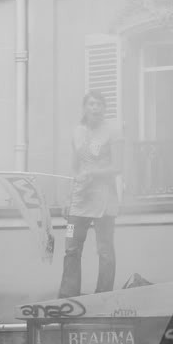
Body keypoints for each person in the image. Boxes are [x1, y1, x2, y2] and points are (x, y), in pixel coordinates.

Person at [58, 90, 123, 298]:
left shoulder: (113, 131)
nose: (95, 108)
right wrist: (68, 198)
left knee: (104, 250)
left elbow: (118, 166)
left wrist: (94, 173)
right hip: (79, 199)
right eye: (91, 104)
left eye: (99, 104)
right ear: (84, 108)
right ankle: (68, 295)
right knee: (71, 247)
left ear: (104, 109)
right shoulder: (77, 132)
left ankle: (103, 295)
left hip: (104, 199)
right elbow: (74, 168)